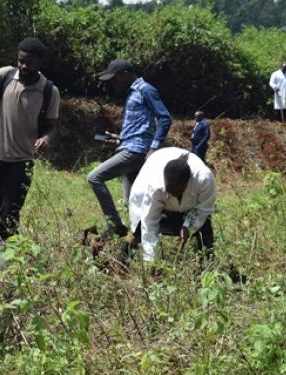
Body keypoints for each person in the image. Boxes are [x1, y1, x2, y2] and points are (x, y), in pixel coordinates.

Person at [0, 38, 60, 267]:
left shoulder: (49, 91)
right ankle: (0, 229)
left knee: (9, 216)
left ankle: (2, 268)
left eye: (28, 62)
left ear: (39, 61)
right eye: (21, 61)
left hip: (21, 162)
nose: (23, 66)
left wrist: (46, 138)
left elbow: (51, 125)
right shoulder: (5, 76)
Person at [88, 59, 171, 239]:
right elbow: (141, 126)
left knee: (94, 177)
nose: (113, 83)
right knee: (133, 202)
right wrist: (120, 138)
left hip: (137, 151)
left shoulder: (145, 90)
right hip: (130, 145)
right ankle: (141, 238)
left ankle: (115, 226)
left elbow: (164, 118)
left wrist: (153, 148)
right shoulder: (133, 93)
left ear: (126, 74)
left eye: (115, 79)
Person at [126, 147, 216, 263]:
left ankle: (207, 265)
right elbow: (149, 223)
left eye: (177, 191)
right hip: (150, 185)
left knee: (205, 226)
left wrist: (188, 226)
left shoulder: (204, 180)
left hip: (192, 206)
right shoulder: (154, 185)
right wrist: (150, 260)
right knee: (139, 228)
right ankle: (124, 260)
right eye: (169, 189)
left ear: (187, 183)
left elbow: (204, 208)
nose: (172, 194)